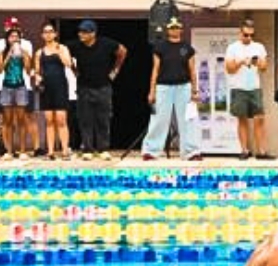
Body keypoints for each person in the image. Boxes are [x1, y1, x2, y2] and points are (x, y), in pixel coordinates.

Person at [141, 18, 201, 161]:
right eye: (172, 28)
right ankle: (151, 151)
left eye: (177, 27)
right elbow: (155, 70)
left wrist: (195, 91)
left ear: (181, 30)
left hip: (184, 87)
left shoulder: (187, 48)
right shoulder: (160, 47)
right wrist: (152, 91)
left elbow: (192, 70)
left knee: (188, 119)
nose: (174, 30)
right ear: (168, 30)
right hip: (163, 87)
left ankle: (191, 152)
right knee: (159, 119)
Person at [68, 20, 127, 160]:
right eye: (80, 31)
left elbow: (122, 50)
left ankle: (103, 149)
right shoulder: (75, 45)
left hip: (103, 87)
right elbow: (61, 51)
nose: (81, 34)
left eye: (84, 32)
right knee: (85, 119)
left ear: (93, 33)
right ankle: (87, 149)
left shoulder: (105, 43)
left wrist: (115, 70)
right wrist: (73, 68)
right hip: (84, 87)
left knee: (103, 119)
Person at [225, 19, 272, 160]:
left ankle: (261, 151)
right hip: (238, 87)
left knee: (260, 118)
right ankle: (244, 150)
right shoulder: (232, 48)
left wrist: (257, 62)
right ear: (240, 33)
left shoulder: (259, 47)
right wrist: (241, 62)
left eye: (252, 35)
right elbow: (229, 69)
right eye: (246, 35)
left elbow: (264, 67)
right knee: (242, 119)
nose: (249, 38)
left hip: (254, 87)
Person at [0, 24, 33, 161]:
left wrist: (24, 55)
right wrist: (8, 54)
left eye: (17, 36)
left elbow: (28, 70)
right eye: (12, 36)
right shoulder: (2, 52)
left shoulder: (24, 52)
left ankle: (22, 151)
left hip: (20, 86)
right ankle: (8, 151)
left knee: (21, 120)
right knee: (7, 121)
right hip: (6, 87)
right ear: (7, 39)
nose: (15, 39)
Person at [32, 22, 72, 160]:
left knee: (61, 120)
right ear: (42, 35)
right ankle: (50, 151)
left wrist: (59, 52)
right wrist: (37, 78)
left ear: (55, 34)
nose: (48, 34)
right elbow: (37, 71)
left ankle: (65, 150)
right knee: (49, 120)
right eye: (45, 32)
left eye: (50, 31)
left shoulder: (62, 48)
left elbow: (68, 64)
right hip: (46, 88)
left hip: (60, 86)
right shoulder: (39, 52)